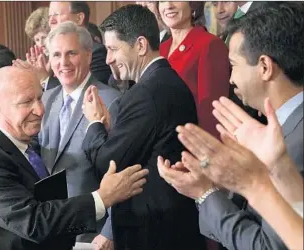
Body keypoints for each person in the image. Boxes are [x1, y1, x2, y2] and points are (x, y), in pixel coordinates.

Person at [158, 3, 304, 250]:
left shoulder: (292, 145)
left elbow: (265, 246)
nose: (230, 79)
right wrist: (219, 180)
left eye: (233, 66)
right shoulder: (282, 129)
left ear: (265, 67)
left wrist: (205, 193)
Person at [0, 66, 149, 250]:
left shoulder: (23, 146)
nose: (40, 110)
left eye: (40, 98)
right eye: (26, 102)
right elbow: (33, 222)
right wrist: (102, 197)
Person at [82, 4, 205, 250]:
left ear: (140, 45)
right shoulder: (164, 81)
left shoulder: (146, 94)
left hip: (154, 232)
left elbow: (109, 164)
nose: (107, 59)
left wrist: (95, 123)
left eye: (113, 49)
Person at [37, 21, 120, 247]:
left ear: (88, 55)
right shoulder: (45, 100)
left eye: (71, 53)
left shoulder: (110, 101)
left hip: (93, 234)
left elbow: (122, 170)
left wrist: (110, 233)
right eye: (56, 55)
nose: (63, 63)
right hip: (52, 227)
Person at [159, 1, 230, 138]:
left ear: (193, 4)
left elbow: (211, 112)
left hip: (191, 144)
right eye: (162, 0)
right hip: (161, 144)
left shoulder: (210, 44)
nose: (168, 5)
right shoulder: (160, 49)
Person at [48, 1, 111, 85]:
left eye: (56, 14)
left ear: (79, 18)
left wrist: (45, 78)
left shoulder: (97, 52)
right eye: (49, 16)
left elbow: (92, 91)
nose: (51, 21)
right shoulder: (46, 54)